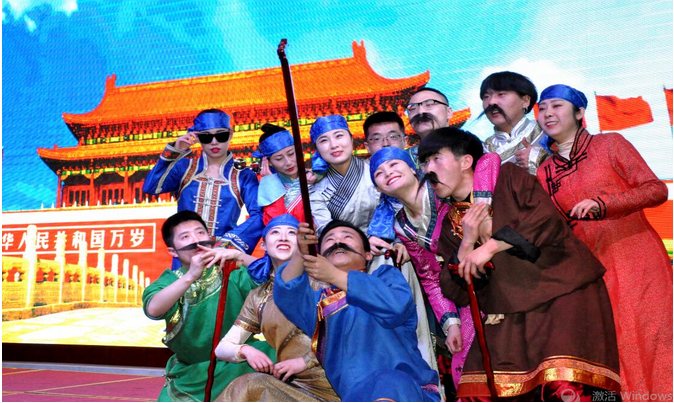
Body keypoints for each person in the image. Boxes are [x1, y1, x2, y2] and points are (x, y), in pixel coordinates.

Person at [420, 127, 620, 400]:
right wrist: (467, 244)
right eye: (424, 162)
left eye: (436, 159)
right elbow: (457, 291)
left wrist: (490, 246)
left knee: (563, 388)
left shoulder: (508, 177)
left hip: (560, 295)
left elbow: (546, 223)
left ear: (466, 161)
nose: (428, 170)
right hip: (507, 313)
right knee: (477, 394)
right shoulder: (449, 222)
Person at [536, 84, 673, 399]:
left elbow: (656, 190)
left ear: (579, 112)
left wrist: (604, 204)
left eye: (556, 106)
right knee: (617, 345)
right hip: (593, 270)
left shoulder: (610, 144)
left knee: (656, 336)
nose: (547, 114)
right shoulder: (545, 171)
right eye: (542, 109)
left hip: (637, 256)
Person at [274, 219, 441, 402]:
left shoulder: (386, 276)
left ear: (368, 254)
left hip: (407, 389)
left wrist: (334, 275)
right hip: (356, 396)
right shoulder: (317, 304)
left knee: (389, 382)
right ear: (320, 256)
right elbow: (287, 293)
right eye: (329, 239)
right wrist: (300, 253)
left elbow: (396, 305)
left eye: (347, 237)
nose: (338, 241)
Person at [369, 146, 488, 391]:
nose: (388, 173)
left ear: (414, 169)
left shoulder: (443, 190)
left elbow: (489, 162)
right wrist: (451, 323)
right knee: (466, 369)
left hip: (495, 273)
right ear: (378, 188)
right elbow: (430, 277)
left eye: (394, 164)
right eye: (379, 173)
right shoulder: (401, 226)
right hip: (466, 292)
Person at [142, 210, 274, 401]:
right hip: (191, 372)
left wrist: (239, 255)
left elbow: (275, 278)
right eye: (185, 237)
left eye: (200, 233)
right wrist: (191, 276)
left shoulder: (232, 270)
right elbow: (153, 309)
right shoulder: (169, 280)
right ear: (173, 251)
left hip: (239, 361)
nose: (196, 240)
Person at [214, 215, 339, 402]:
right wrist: (246, 351)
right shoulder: (258, 297)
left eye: (292, 233)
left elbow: (346, 334)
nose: (283, 237)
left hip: (338, 382)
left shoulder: (322, 282)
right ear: (263, 245)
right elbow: (222, 348)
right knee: (248, 385)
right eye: (275, 232)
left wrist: (306, 361)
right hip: (295, 387)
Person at [143, 109, 263, 255]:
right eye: (206, 137)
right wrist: (175, 151)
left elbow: (259, 214)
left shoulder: (243, 175)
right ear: (198, 138)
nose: (214, 142)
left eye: (221, 135)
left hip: (222, 255)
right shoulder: (184, 168)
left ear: (230, 134)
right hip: (186, 255)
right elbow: (151, 187)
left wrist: (227, 244)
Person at [308, 115, 379, 235]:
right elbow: (324, 229)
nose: (334, 145)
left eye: (339, 136)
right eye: (324, 140)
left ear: (351, 139)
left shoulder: (375, 172)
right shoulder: (314, 186)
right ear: (317, 149)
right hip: (339, 243)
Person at [479, 71, 549, 174]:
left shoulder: (548, 132)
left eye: (501, 94)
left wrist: (539, 158)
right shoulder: (482, 151)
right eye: (486, 96)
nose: (491, 102)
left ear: (525, 101)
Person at [252, 124, 306, 225]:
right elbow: (276, 225)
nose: (288, 162)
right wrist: (271, 184)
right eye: (279, 159)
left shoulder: (315, 179)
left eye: (291, 154)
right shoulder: (266, 187)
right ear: (269, 162)